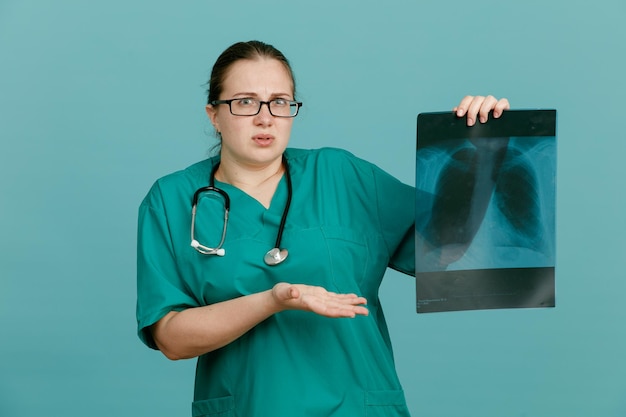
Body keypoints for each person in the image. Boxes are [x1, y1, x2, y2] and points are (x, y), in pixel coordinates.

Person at [136, 40, 510, 417]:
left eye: (280, 102)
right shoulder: (171, 200)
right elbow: (171, 338)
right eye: (245, 102)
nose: (266, 118)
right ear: (213, 114)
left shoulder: (342, 176)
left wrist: (484, 151)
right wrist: (274, 299)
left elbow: (447, 246)